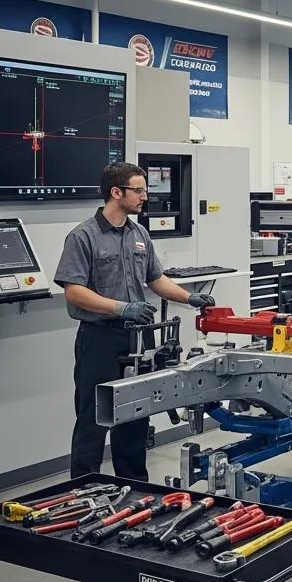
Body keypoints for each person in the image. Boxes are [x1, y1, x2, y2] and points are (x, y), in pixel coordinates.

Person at [54, 162, 216, 482]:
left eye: (145, 190)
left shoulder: (139, 233)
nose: (145, 196)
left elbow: (156, 279)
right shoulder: (83, 236)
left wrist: (189, 298)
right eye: (138, 190)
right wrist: (121, 308)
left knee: (136, 416)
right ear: (117, 193)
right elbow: (74, 292)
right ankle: (84, 490)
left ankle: (134, 487)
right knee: (94, 419)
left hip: (139, 340)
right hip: (100, 339)